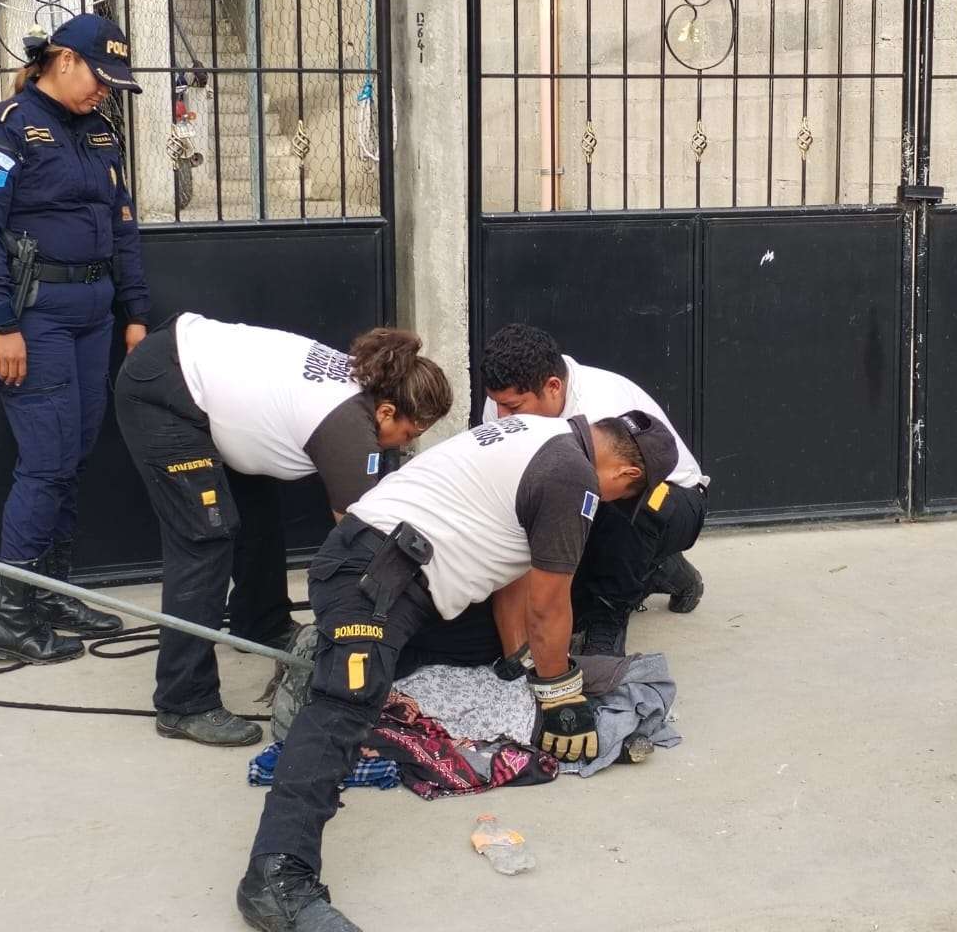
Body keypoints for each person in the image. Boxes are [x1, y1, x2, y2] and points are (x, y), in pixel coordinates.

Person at [235, 409, 678, 932]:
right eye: (621, 498)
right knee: (345, 705)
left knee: (476, 656)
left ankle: (340, 653)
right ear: (627, 478)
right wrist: (562, 698)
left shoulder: (544, 434)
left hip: (400, 573)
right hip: (375, 577)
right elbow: (548, 604)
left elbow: (516, 578)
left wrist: (526, 665)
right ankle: (276, 875)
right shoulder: (571, 475)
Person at [114, 315, 452, 747]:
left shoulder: (367, 385)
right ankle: (184, 701)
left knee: (257, 511)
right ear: (387, 410)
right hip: (163, 393)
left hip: (195, 372)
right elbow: (360, 546)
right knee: (205, 538)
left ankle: (260, 623)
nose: (404, 445)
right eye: (408, 433)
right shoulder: (349, 428)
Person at [0, 13, 151, 665]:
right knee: (45, 460)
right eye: (101, 76)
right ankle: (10, 614)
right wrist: (0, 322)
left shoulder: (99, 133)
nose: (105, 92)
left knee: (73, 455)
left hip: (94, 315)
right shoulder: (1, 128)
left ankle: (52, 590)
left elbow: (121, 230)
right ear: (62, 59)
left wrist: (135, 312)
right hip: (33, 317)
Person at [479, 322, 708, 655]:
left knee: (616, 506)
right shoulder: (504, 403)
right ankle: (661, 568)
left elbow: (594, 497)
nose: (502, 417)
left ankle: (607, 624)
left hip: (669, 499)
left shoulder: (600, 408)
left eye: (513, 408)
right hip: (597, 502)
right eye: (496, 404)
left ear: (553, 387)